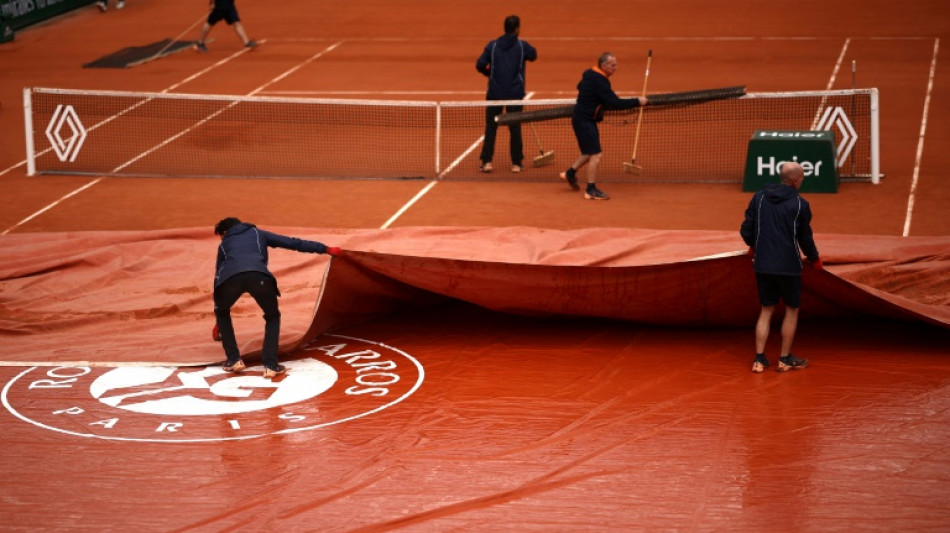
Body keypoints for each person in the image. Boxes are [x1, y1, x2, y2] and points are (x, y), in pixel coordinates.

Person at [213, 217, 341, 378]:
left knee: (223, 313)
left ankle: (233, 360)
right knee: (272, 316)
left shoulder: (224, 245)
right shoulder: (258, 233)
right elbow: (292, 242)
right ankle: (270, 365)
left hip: (229, 280)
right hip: (260, 277)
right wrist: (325, 249)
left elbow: (218, 276)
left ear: (225, 232)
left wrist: (218, 316)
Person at [740, 161, 822, 373]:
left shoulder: (759, 197)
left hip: (763, 265)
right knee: (791, 309)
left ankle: (759, 360)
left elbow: (746, 229)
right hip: (789, 266)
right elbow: (805, 238)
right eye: (802, 178)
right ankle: (784, 359)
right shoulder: (800, 204)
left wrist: (753, 246)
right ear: (795, 180)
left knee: (766, 310)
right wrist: (814, 258)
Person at [560, 52, 647, 200]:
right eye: (613, 65)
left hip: (584, 119)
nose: (616, 68)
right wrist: (637, 101)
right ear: (604, 65)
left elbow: (579, 85)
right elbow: (616, 103)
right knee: (596, 154)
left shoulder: (590, 72)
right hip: (584, 121)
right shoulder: (600, 81)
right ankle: (590, 189)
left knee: (589, 151)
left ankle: (570, 173)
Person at [475, 15, 537, 174]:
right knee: (515, 128)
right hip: (515, 94)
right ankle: (516, 163)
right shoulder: (522, 46)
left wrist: (489, 73)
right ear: (517, 29)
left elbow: (480, 64)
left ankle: (486, 162)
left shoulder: (493, 46)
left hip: (494, 93)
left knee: (491, 127)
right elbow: (534, 55)